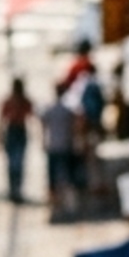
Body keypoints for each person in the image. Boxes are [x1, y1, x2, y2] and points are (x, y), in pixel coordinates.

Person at [40, 85, 80, 215]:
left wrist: (43, 140)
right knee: (66, 176)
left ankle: (55, 206)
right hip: (64, 145)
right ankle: (66, 205)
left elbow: (43, 124)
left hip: (53, 145)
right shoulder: (67, 109)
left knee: (53, 178)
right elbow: (76, 124)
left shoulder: (50, 109)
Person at [0, 78, 35, 202]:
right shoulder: (9, 101)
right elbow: (1, 120)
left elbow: (31, 117)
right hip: (12, 131)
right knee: (12, 164)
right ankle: (12, 190)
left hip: (20, 130)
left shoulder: (24, 101)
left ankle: (17, 190)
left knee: (18, 163)